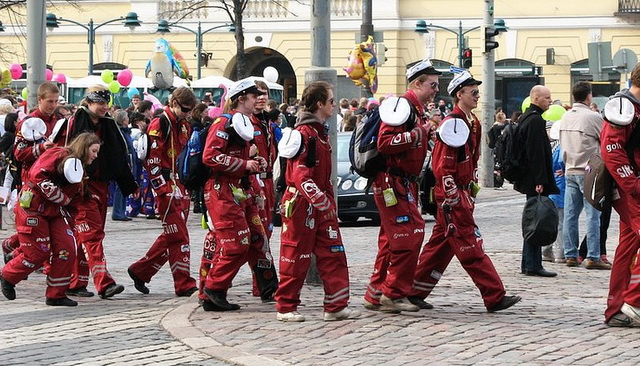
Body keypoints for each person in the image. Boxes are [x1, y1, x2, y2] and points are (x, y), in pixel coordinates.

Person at [408, 71, 521, 312]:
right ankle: (494, 295)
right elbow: (442, 167)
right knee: (471, 246)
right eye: (474, 93)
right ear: (459, 95)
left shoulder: (472, 122)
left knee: (439, 248)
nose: (478, 96)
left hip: (461, 193)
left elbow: (473, 159)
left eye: (478, 92)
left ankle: (413, 291)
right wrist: (454, 197)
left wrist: (469, 191)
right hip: (452, 197)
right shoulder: (454, 123)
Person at [275, 81, 359, 322]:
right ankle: (286, 307)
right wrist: (322, 202)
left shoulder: (318, 133)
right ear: (320, 103)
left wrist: (327, 204)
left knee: (333, 254)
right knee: (296, 256)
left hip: (321, 205)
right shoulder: (305, 135)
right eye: (331, 101)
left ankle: (335, 306)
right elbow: (301, 175)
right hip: (303, 205)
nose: (334, 105)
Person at [363, 59, 439, 313]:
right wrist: (419, 133)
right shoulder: (403, 107)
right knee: (411, 233)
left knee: (389, 239)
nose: (436, 90)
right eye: (432, 85)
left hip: (401, 181)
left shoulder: (413, 109)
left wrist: (423, 133)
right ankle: (393, 294)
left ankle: (375, 293)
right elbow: (386, 142)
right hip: (392, 181)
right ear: (417, 83)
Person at [0, 132, 101, 306]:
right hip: (33, 208)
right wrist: (60, 196)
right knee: (38, 252)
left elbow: (74, 199)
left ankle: (56, 294)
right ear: (84, 148)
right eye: (94, 151)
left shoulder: (79, 169)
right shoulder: (58, 154)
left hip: (54, 212)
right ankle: (8, 276)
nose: (96, 155)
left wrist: (85, 200)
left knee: (67, 248)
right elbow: (37, 175)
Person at [201, 78, 274, 311]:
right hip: (222, 190)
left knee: (258, 239)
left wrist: (255, 162)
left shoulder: (247, 121)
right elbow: (210, 157)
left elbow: (242, 157)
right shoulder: (223, 123)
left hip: (242, 190)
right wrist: (244, 165)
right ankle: (213, 290)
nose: (259, 100)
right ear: (242, 99)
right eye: (254, 97)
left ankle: (269, 287)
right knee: (236, 244)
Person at [66, 85, 137, 299]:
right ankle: (103, 282)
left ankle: (76, 282)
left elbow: (118, 156)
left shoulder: (108, 125)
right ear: (89, 102)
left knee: (85, 237)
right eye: (100, 103)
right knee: (91, 234)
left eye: (106, 103)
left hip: (101, 185)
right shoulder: (74, 122)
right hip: (81, 185)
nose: (104, 107)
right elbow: (63, 152)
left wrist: (129, 185)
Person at [128, 87, 198, 297]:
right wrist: (163, 189)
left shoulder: (184, 124)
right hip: (167, 188)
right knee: (179, 237)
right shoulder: (160, 123)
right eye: (185, 109)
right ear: (174, 103)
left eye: (190, 110)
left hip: (181, 186)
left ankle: (141, 270)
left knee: (172, 235)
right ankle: (184, 284)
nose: (188, 113)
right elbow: (152, 160)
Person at [2, 82, 62, 265]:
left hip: (54, 178)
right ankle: (23, 255)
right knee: (37, 223)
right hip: (32, 181)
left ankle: (15, 249)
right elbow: (19, 154)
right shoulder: (28, 122)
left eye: (56, 101)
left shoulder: (58, 120)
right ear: (40, 99)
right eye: (50, 101)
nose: (53, 105)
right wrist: (42, 148)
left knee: (50, 225)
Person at [601, 63, 640, 326]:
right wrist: (634, 185)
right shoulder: (624, 105)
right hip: (630, 189)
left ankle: (616, 308)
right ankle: (633, 303)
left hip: (632, 187)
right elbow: (611, 149)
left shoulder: (634, 106)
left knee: (627, 247)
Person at [558, 81, 610, 270]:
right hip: (590, 171)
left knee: (570, 215)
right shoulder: (593, 116)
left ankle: (570, 255)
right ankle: (593, 256)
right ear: (589, 96)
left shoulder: (565, 117)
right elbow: (605, 141)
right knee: (593, 215)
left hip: (570, 169)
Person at [514, 85, 559, 277]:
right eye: (546, 98)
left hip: (530, 177)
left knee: (533, 218)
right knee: (537, 220)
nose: (549, 101)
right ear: (535, 98)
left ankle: (529, 262)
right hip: (535, 179)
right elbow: (535, 154)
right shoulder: (534, 121)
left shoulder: (527, 118)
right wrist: (540, 179)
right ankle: (533, 264)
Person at [111, 110, 136, 221]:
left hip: (128, 162)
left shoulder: (125, 132)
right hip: (123, 163)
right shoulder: (120, 133)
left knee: (123, 187)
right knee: (120, 188)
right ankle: (118, 212)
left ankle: (121, 211)